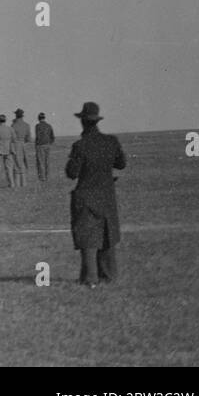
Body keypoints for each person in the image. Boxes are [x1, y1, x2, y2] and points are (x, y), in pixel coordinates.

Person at [65, 102, 126, 288]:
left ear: (83, 122)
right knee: (107, 234)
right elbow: (121, 164)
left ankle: (90, 278)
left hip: (85, 196)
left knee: (87, 237)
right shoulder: (111, 141)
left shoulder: (80, 145)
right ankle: (108, 276)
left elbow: (72, 173)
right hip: (106, 195)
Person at [0, 114, 15, 190]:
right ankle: (12, 184)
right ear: (5, 120)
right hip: (9, 151)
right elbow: (14, 139)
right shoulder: (10, 129)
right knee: (9, 169)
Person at [11, 109, 32, 188]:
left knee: (16, 164)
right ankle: (24, 183)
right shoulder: (26, 125)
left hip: (16, 144)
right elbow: (29, 138)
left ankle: (17, 183)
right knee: (23, 163)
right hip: (24, 144)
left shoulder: (13, 125)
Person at [35, 112, 55, 181]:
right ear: (44, 118)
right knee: (47, 161)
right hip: (47, 145)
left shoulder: (37, 126)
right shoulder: (49, 126)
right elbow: (52, 137)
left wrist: (37, 144)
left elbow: (37, 136)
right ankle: (47, 177)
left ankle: (42, 177)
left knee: (41, 162)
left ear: (38, 118)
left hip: (40, 145)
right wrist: (49, 143)